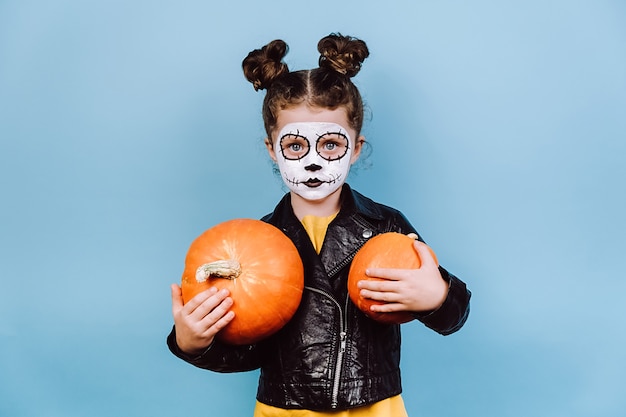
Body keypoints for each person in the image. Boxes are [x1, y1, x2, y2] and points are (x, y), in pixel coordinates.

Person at [167, 33, 471, 416]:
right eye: (296, 146)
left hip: (373, 408)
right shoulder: (254, 243)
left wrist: (438, 297)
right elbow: (249, 350)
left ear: (356, 147)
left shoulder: (386, 226)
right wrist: (193, 342)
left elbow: (454, 317)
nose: (313, 161)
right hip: (285, 409)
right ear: (272, 150)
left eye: (330, 144)